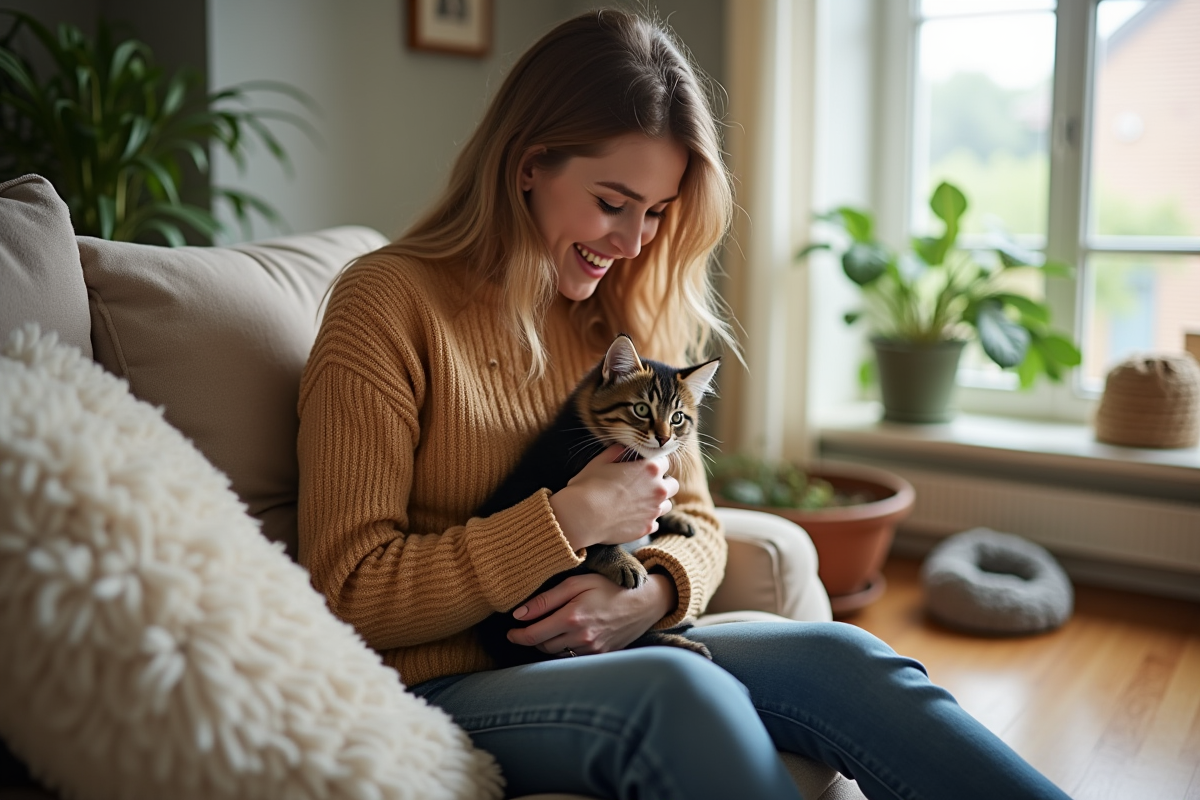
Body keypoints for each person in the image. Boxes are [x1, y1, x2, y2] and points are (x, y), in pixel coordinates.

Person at [297, 9, 1072, 800]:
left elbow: (698, 523)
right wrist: (566, 523)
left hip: (617, 647)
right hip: (444, 683)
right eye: (612, 202)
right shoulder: (387, 304)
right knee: (681, 695)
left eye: (658, 212)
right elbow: (346, 592)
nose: (635, 241)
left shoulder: (615, 321)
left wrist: (650, 596)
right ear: (529, 166)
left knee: (850, 661)